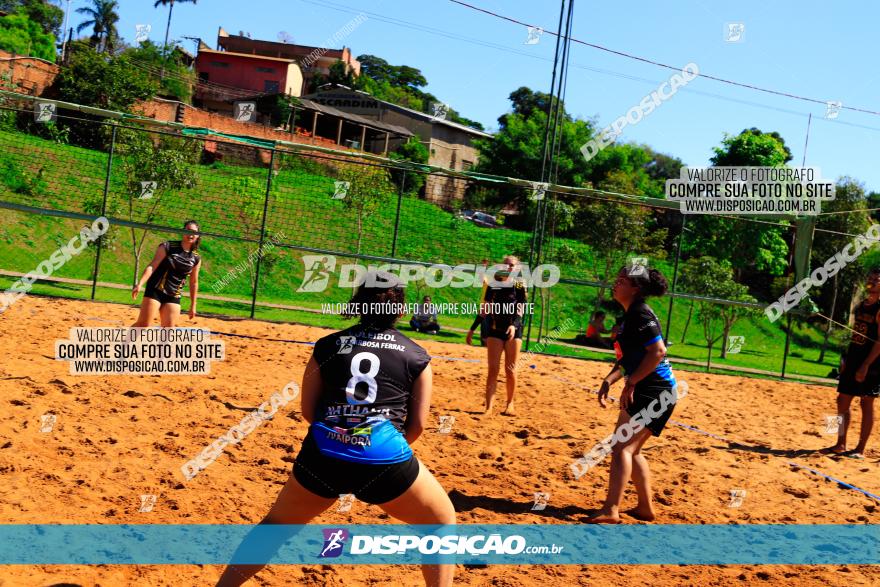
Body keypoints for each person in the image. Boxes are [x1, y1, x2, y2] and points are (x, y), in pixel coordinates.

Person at [215, 271, 455, 587]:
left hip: (324, 454)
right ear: (399, 307)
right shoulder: (417, 356)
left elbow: (308, 412)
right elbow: (418, 426)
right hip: (383, 458)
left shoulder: (327, 346)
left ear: (359, 302)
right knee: (441, 524)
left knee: (276, 526)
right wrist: (374, 449)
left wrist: (343, 436)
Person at [589, 266, 678, 524]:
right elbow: (630, 359)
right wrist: (610, 380)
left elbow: (657, 352)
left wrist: (631, 384)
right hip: (656, 389)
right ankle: (645, 508)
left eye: (622, 281)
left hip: (653, 389)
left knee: (621, 449)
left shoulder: (640, 314)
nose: (615, 284)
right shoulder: (630, 316)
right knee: (632, 449)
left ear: (635, 289)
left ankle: (611, 510)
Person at [821, 268, 880, 459]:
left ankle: (860, 449)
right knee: (842, 400)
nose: (872, 281)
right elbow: (855, 335)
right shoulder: (862, 304)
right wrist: (846, 357)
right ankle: (840, 443)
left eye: (876, 279)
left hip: (872, 362)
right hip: (854, 358)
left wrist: (866, 365)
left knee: (866, 402)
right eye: (870, 278)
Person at [131, 220, 202, 328]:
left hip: (174, 294)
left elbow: (194, 282)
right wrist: (140, 284)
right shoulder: (168, 246)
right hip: (156, 290)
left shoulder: (196, 258)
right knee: (144, 325)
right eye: (187, 230)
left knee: (169, 331)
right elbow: (152, 266)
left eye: (193, 232)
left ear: (197, 236)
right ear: (182, 232)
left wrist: (193, 305)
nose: (190, 234)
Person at [482, 255, 527, 415]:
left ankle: (510, 404)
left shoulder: (519, 285)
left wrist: (514, 325)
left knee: (510, 370)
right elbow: (485, 308)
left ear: (517, 268)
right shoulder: (493, 284)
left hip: (514, 330)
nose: (509, 267)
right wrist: (476, 328)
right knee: (493, 370)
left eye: (512, 265)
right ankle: (488, 408)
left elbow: (521, 310)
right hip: (495, 328)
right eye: (506, 264)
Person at [465, 259, 490, 346]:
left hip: (494, 313)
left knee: (489, 339)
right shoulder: (489, 282)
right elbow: (482, 278)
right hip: (485, 309)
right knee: (485, 339)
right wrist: (482, 267)